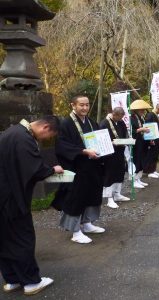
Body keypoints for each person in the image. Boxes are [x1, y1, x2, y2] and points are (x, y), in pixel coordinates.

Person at [0, 116, 62, 295]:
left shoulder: (11, 132)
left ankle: (12, 279)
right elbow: (35, 168)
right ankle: (30, 282)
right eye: (49, 136)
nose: (44, 139)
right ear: (45, 127)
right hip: (11, 199)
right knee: (22, 238)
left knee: (4, 239)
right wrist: (52, 170)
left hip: (2, 195)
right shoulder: (24, 138)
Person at [52, 95, 106, 244]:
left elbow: (99, 139)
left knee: (92, 194)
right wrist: (84, 151)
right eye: (81, 105)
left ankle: (87, 223)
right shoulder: (65, 124)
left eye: (87, 105)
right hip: (76, 166)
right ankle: (75, 231)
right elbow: (62, 146)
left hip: (92, 165)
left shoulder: (91, 122)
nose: (85, 108)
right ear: (73, 105)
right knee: (76, 197)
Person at [100, 107, 130, 209]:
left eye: (122, 117)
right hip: (109, 154)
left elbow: (125, 134)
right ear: (114, 114)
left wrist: (127, 140)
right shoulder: (104, 123)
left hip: (120, 152)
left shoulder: (121, 122)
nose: (121, 119)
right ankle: (109, 198)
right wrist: (112, 142)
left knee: (120, 173)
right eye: (119, 117)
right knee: (110, 175)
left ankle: (117, 194)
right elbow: (101, 138)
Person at [129, 99, 152, 189]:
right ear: (136, 110)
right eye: (141, 110)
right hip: (135, 141)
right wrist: (141, 129)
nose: (143, 111)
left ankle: (138, 179)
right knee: (136, 160)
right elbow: (131, 131)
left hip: (141, 141)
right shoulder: (131, 118)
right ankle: (133, 180)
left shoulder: (140, 118)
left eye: (143, 110)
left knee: (141, 159)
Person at [144, 103, 159, 179]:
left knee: (155, 154)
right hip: (152, 138)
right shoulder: (150, 115)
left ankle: (153, 169)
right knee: (151, 154)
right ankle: (149, 171)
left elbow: (156, 127)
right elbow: (148, 127)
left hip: (156, 137)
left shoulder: (154, 115)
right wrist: (150, 139)